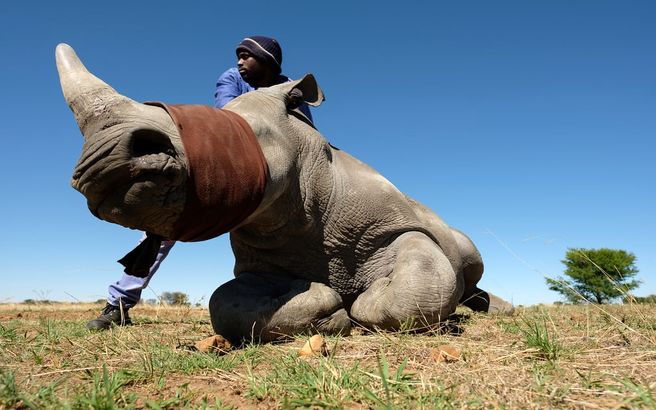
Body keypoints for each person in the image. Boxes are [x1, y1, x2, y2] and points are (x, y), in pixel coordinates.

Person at [87, 36, 312, 330]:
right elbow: (232, 117)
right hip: (234, 165)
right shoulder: (231, 79)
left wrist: (295, 106)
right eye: (239, 56)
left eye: (247, 56)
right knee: (163, 226)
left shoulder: (292, 88)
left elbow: (307, 137)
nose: (239, 62)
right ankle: (119, 303)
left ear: (268, 60)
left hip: (281, 178)